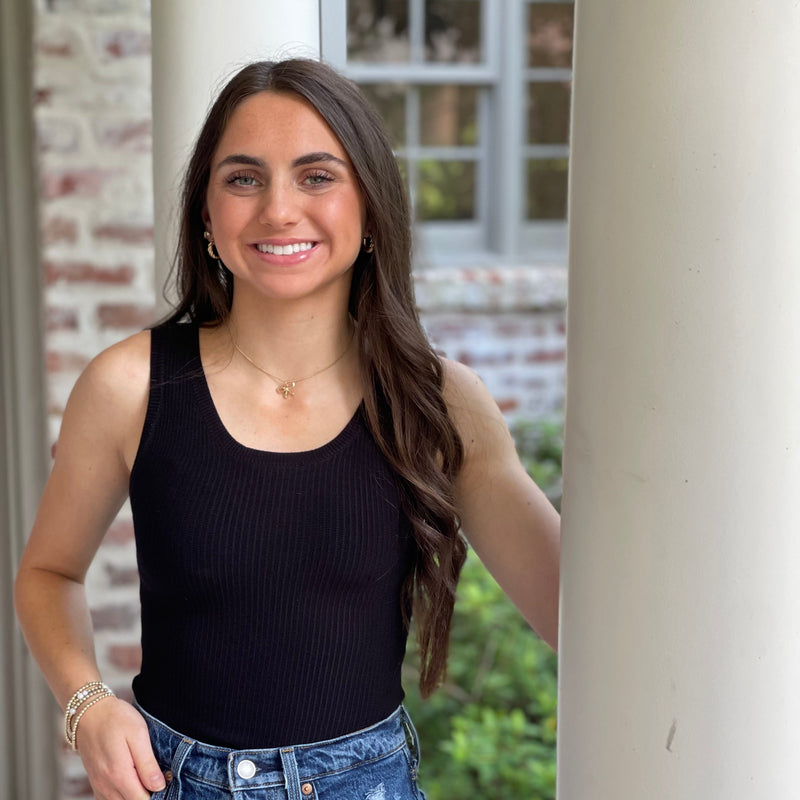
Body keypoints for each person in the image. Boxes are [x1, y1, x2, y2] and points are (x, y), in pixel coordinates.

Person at [14, 58, 560, 800]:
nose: (278, 209)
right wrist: (88, 706)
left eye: (316, 176)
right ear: (206, 211)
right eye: (243, 178)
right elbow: (48, 574)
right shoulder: (130, 386)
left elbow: (576, 611)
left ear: (370, 207)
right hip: (173, 783)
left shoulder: (440, 403)